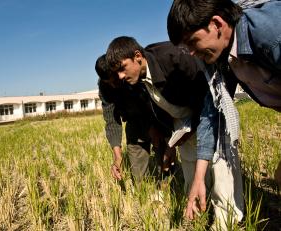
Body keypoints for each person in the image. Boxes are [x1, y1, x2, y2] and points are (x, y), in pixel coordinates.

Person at [105, 37, 239, 229]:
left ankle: (227, 222)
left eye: (122, 68)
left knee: (220, 170)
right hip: (183, 123)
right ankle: (200, 213)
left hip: (211, 114)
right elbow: (160, 111)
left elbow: (207, 100)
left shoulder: (174, 59)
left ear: (137, 56)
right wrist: (172, 141)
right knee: (191, 173)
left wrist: (191, 131)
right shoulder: (136, 80)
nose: (119, 76)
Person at [167, 0, 281, 225]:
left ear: (217, 24)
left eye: (192, 42)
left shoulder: (270, 33)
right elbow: (212, 115)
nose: (190, 53)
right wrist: (199, 178)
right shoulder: (219, 59)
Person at [95, 54, 175, 183]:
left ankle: (166, 190)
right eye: (109, 82)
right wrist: (117, 156)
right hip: (134, 123)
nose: (114, 85)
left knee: (166, 169)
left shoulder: (134, 75)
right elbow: (112, 120)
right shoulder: (105, 87)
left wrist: (155, 126)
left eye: (115, 80)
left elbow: (155, 103)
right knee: (138, 178)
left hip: (158, 119)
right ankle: (143, 195)